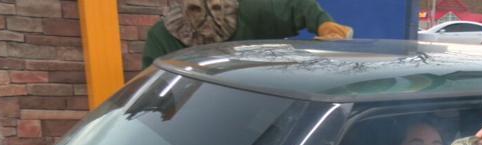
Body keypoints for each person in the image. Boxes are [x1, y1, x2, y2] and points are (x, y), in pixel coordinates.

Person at [142, 0, 353, 68]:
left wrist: (325, 24)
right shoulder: (162, 37)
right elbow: (154, 96)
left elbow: (297, 6)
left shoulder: (252, 10)